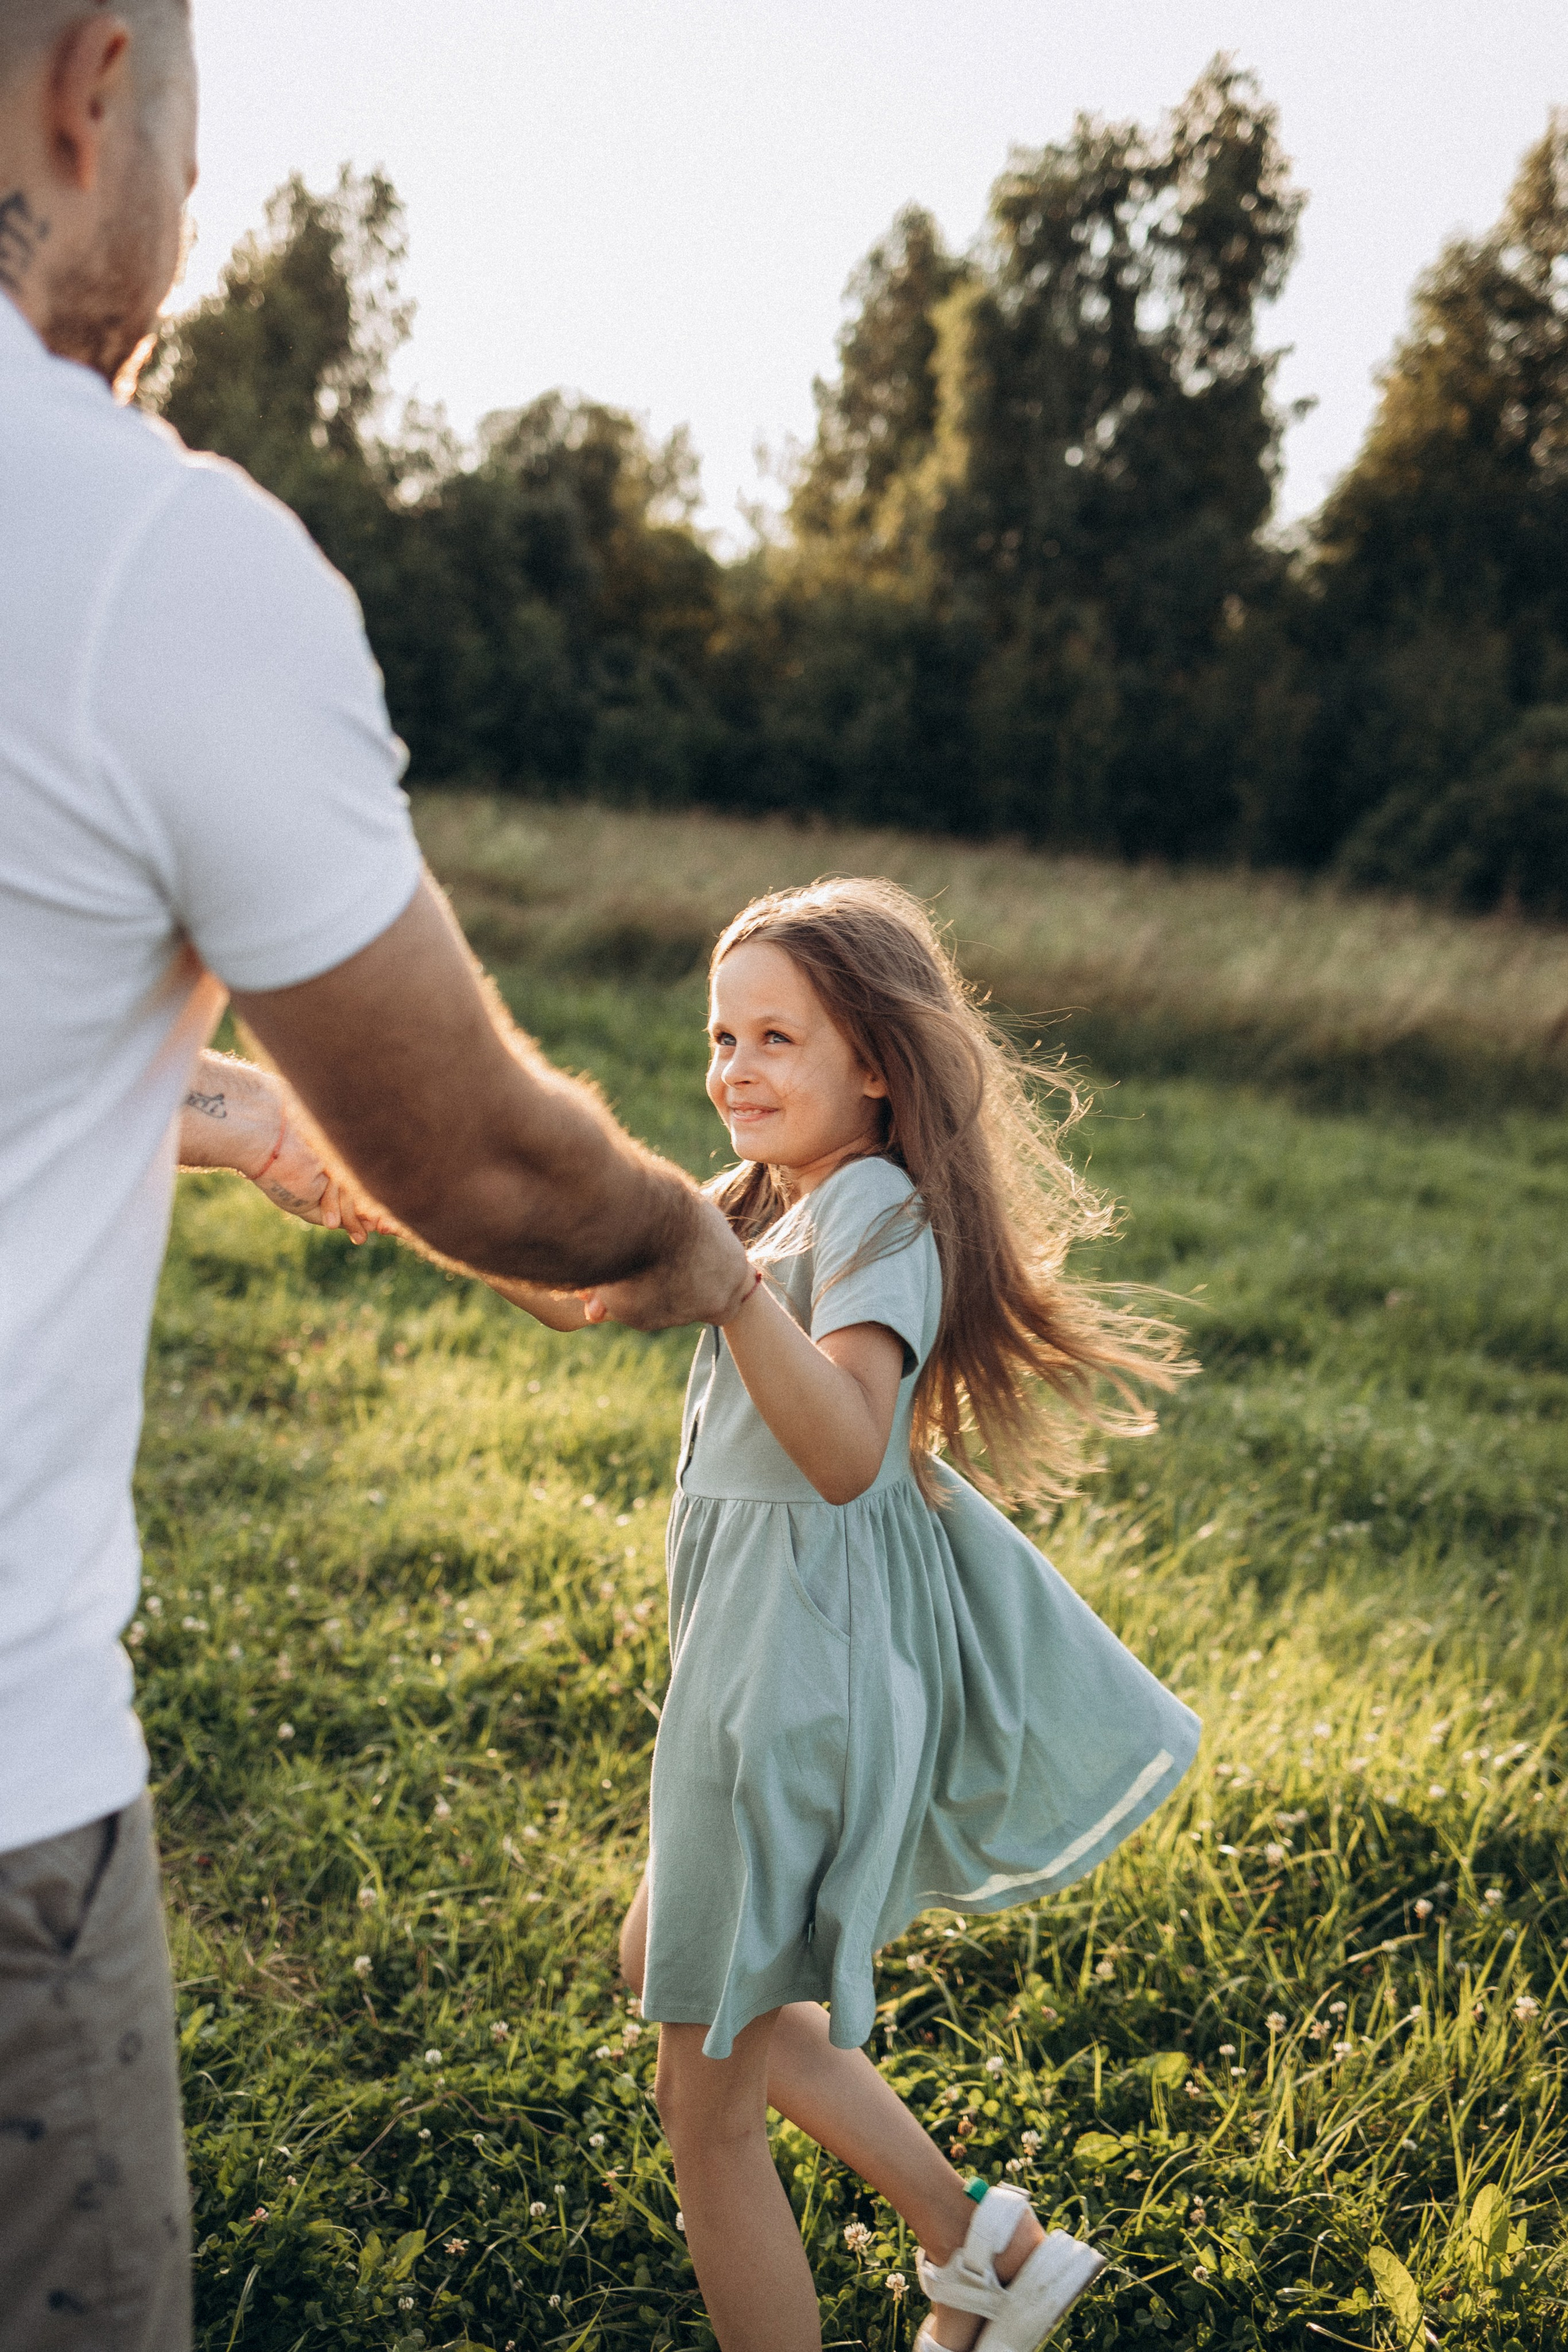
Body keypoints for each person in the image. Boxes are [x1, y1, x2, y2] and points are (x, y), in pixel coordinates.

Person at [0, 6, 749, 2346]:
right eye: (194, 144)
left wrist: (194, 1106)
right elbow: (499, 1173)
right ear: (94, 88)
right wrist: (696, 1238)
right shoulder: (141, 555)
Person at [494, 878, 1202, 2352]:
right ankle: (981, 2241)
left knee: (709, 2117)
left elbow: (840, 1453)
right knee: (666, 1971)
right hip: (755, 1667)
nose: (732, 1070)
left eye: (775, 1040)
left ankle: (973, 2248)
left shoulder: (873, 1209)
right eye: (719, 1035)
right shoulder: (781, 1201)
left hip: (787, 1685)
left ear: (873, 1063)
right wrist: (388, 1200)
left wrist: (732, 1300)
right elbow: (583, 1294)